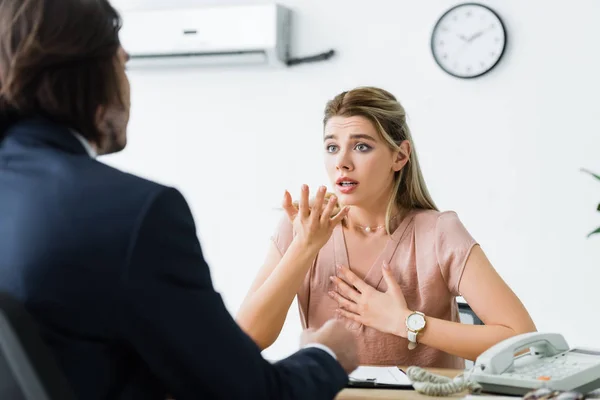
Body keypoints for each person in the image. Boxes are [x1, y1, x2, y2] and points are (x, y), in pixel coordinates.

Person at [0, 0, 359, 399]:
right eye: (123, 65)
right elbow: (252, 391)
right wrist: (329, 355)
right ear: (91, 75)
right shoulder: (132, 214)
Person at [237, 86, 537, 368]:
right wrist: (304, 247)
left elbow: (521, 338)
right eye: (331, 147)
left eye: (361, 146)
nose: (342, 162)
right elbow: (246, 340)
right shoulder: (300, 228)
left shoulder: (438, 233)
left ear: (400, 156)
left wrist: (405, 322)